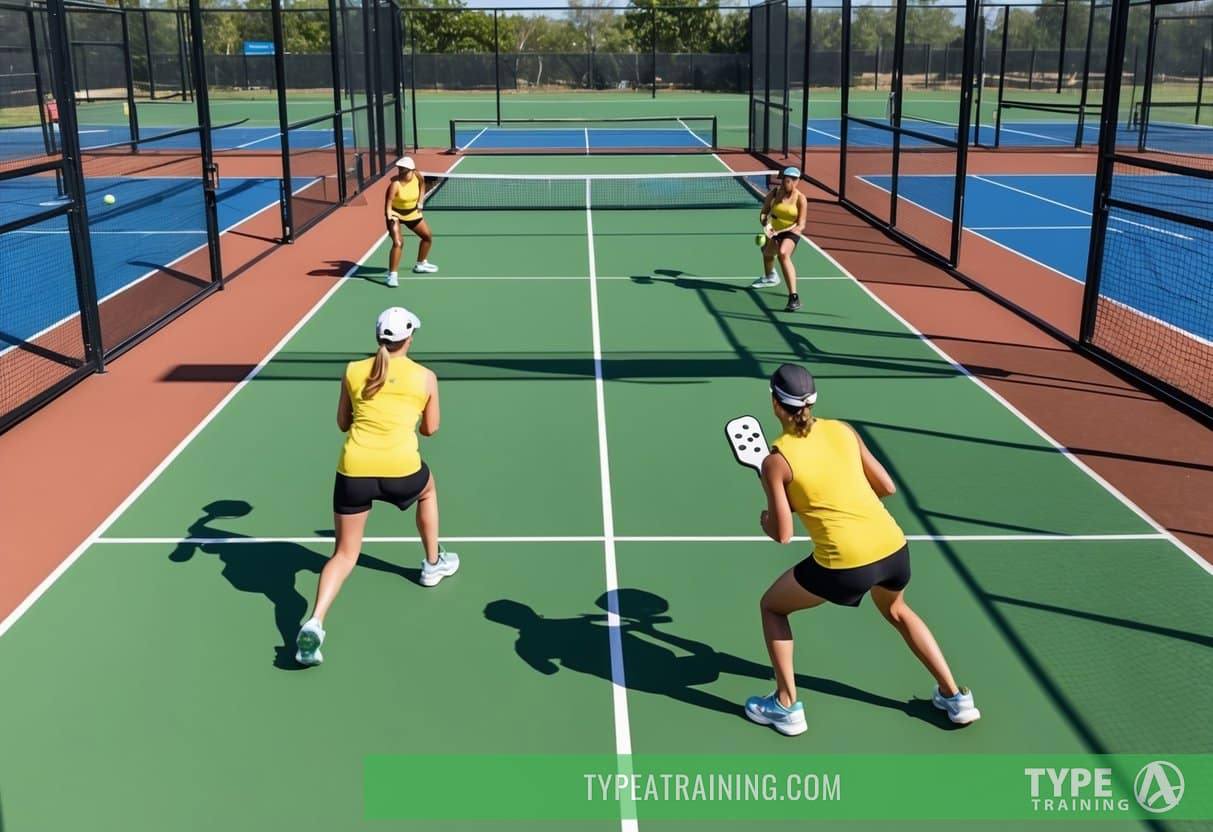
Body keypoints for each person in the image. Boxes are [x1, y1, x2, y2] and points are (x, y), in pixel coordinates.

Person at [745, 363, 979, 736]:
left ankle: (786, 705)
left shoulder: (776, 461)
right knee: (898, 610)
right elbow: (886, 486)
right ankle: (956, 698)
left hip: (843, 564)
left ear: (775, 402)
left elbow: (783, 534)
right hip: (893, 548)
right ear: (812, 401)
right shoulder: (843, 430)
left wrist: (768, 516)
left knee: (772, 606)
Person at [295, 306, 459, 667]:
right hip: (402, 469)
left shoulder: (353, 371)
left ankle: (316, 621)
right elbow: (430, 430)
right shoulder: (426, 377)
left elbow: (342, 423)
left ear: (377, 338)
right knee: (428, 490)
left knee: (344, 555)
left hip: (354, 472)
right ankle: (433, 563)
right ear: (410, 338)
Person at [751, 166, 808, 312]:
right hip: (773, 230)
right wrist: (766, 224)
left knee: (783, 254)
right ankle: (770, 277)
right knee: (767, 254)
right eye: (785, 180)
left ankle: (794, 297)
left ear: (797, 181)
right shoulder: (775, 193)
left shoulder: (801, 199)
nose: (786, 183)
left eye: (790, 180)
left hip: (790, 232)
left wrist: (782, 231)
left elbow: (801, 225)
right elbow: (764, 212)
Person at [384, 156, 438, 287]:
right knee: (398, 243)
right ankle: (392, 276)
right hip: (395, 214)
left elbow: (422, 185)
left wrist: (420, 201)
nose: (400, 171)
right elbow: (388, 203)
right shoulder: (395, 184)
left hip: (413, 213)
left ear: (411, 170)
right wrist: (389, 215)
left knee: (427, 237)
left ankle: (420, 264)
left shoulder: (417, 176)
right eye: (400, 168)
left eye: (403, 169)